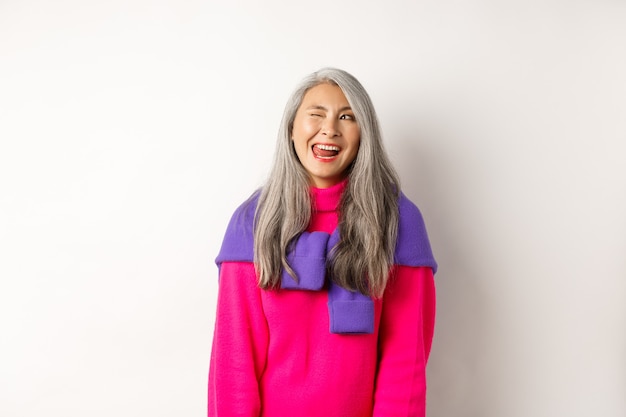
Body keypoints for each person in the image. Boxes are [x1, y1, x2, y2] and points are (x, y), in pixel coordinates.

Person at [208, 68, 437, 417]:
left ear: (365, 135)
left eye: (347, 117)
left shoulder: (399, 221)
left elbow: (404, 362)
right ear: (291, 129)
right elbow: (233, 364)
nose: (330, 128)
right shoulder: (251, 222)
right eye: (316, 114)